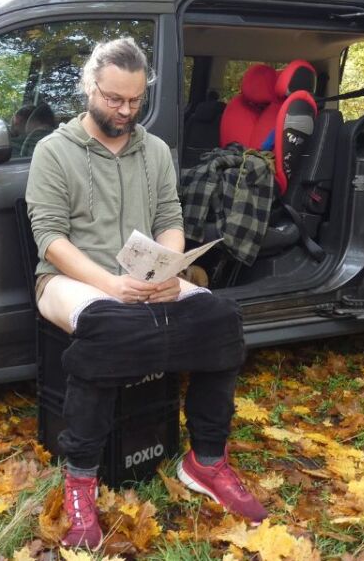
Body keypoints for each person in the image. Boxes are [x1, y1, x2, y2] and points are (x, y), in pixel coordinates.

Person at [26, 37, 267, 548]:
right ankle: (81, 480)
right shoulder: (54, 150)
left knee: (221, 320)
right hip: (68, 279)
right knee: (109, 329)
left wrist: (168, 270)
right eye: (114, 99)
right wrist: (111, 285)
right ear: (91, 86)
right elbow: (50, 238)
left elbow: (169, 220)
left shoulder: (154, 149)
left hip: (144, 275)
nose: (125, 110)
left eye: (135, 101)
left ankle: (205, 462)